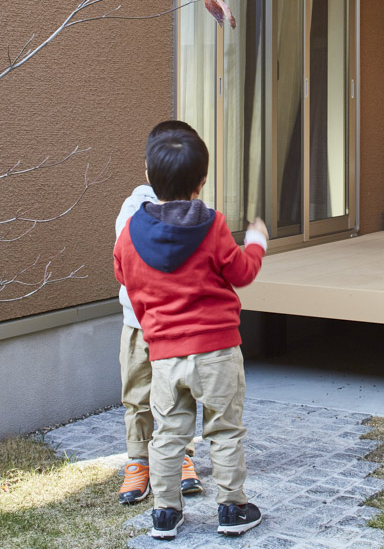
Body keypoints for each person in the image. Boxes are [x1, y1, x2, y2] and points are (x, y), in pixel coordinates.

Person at [114, 124, 268, 540]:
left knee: (168, 434)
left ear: (149, 176)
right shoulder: (213, 225)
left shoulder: (130, 233)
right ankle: (232, 508)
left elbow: (126, 278)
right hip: (217, 350)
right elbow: (242, 272)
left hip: (165, 356)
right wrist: (256, 242)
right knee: (224, 430)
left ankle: (165, 514)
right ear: (201, 182)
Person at [116, 120, 204, 506]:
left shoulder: (201, 213)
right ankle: (139, 460)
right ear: (149, 169)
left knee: (177, 394)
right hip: (138, 324)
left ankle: (181, 455)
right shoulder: (134, 208)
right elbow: (125, 261)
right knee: (138, 392)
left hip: (179, 327)